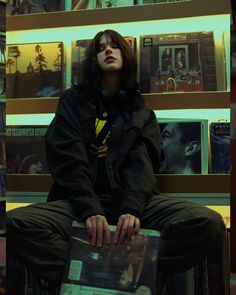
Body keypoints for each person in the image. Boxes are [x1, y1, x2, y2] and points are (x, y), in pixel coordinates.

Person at [7, 30, 224, 293]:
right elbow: (68, 159)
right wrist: (90, 209)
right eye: (101, 48)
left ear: (125, 54)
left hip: (130, 203)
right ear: (93, 59)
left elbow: (142, 164)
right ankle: (99, 269)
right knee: (16, 222)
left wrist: (132, 208)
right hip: (80, 203)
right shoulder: (72, 101)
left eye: (114, 47)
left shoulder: (141, 110)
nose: (108, 51)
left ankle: (133, 266)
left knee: (208, 223)